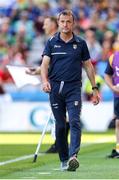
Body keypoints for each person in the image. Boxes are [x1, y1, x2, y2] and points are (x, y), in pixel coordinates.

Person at [40, 10, 100, 171]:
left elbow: (88, 66)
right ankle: (64, 159)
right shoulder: (52, 42)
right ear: (58, 23)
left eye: (68, 22)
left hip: (73, 88)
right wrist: (44, 81)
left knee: (74, 121)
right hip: (55, 88)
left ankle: (73, 156)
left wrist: (94, 88)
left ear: (73, 24)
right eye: (62, 22)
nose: (65, 25)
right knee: (60, 126)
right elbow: (44, 65)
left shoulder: (80, 43)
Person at [27, 16, 70, 153]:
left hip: (66, 81)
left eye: (46, 24)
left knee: (63, 114)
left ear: (53, 24)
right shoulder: (51, 40)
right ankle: (60, 144)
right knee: (62, 114)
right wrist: (38, 71)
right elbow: (49, 65)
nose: (44, 27)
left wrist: (40, 73)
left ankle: (60, 145)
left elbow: (56, 64)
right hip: (58, 80)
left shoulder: (59, 39)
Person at [104, 51, 119, 158]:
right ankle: (118, 149)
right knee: (118, 123)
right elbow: (107, 74)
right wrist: (112, 87)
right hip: (118, 95)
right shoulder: (113, 57)